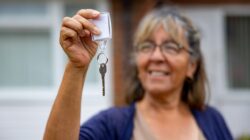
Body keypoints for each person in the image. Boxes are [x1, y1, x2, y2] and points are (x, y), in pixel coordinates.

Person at [43, 7, 233, 140]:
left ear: (192, 65)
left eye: (171, 46)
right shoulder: (112, 124)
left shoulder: (212, 120)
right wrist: (77, 67)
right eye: (147, 46)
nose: (156, 56)